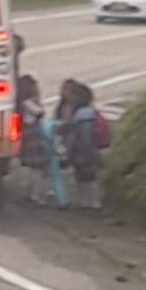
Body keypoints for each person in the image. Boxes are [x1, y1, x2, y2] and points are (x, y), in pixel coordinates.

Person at [61, 81, 103, 210]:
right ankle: (92, 202)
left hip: (83, 150)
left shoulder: (81, 115)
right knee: (89, 177)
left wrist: (72, 149)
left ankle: (87, 202)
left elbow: (82, 135)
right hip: (90, 149)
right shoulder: (90, 111)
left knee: (85, 177)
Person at [17, 75, 51, 206]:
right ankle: (36, 196)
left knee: (34, 168)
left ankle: (31, 193)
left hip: (28, 136)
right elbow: (40, 113)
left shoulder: (20, 104)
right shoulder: (29, 103)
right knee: (38, 168)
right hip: (33, 136)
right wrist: (38, 100)